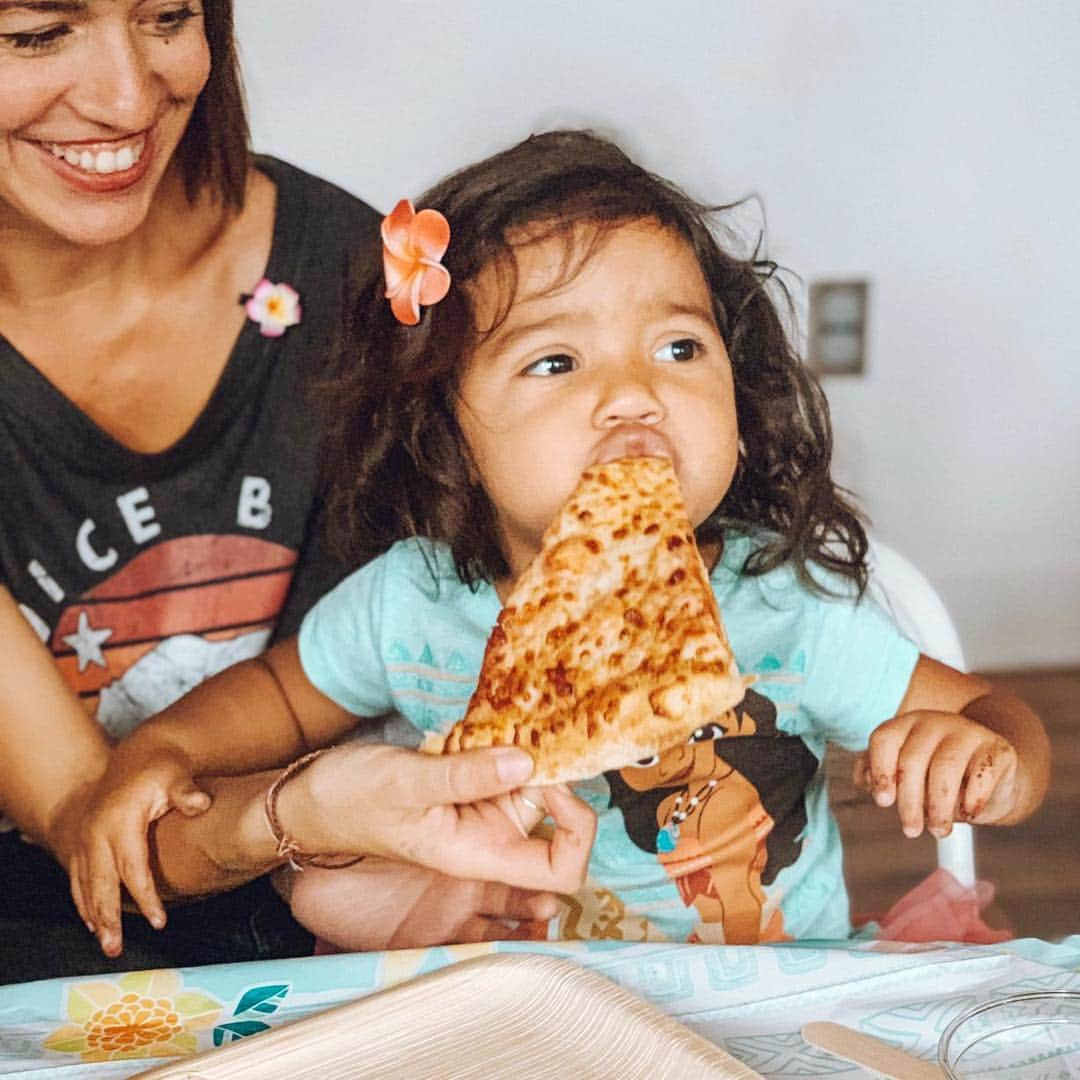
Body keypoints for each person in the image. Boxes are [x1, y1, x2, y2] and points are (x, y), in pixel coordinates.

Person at [72, 129, 1050, 950]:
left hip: (773, 1018)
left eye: (679, 348)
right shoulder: (415, 601)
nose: (634, 392)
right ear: (447, 423)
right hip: (528, 1019)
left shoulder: (779, 605)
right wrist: (162, 745)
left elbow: (1004, 727)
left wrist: (984, 758)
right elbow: (282, 698)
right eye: (557, 359)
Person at [0, 2, 593, 983]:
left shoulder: (357, 273)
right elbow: (90, 820)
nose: (125, 97)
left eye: (167, 16)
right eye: (34, 35)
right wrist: (305, 809)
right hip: (53, 953)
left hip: (379, 922)